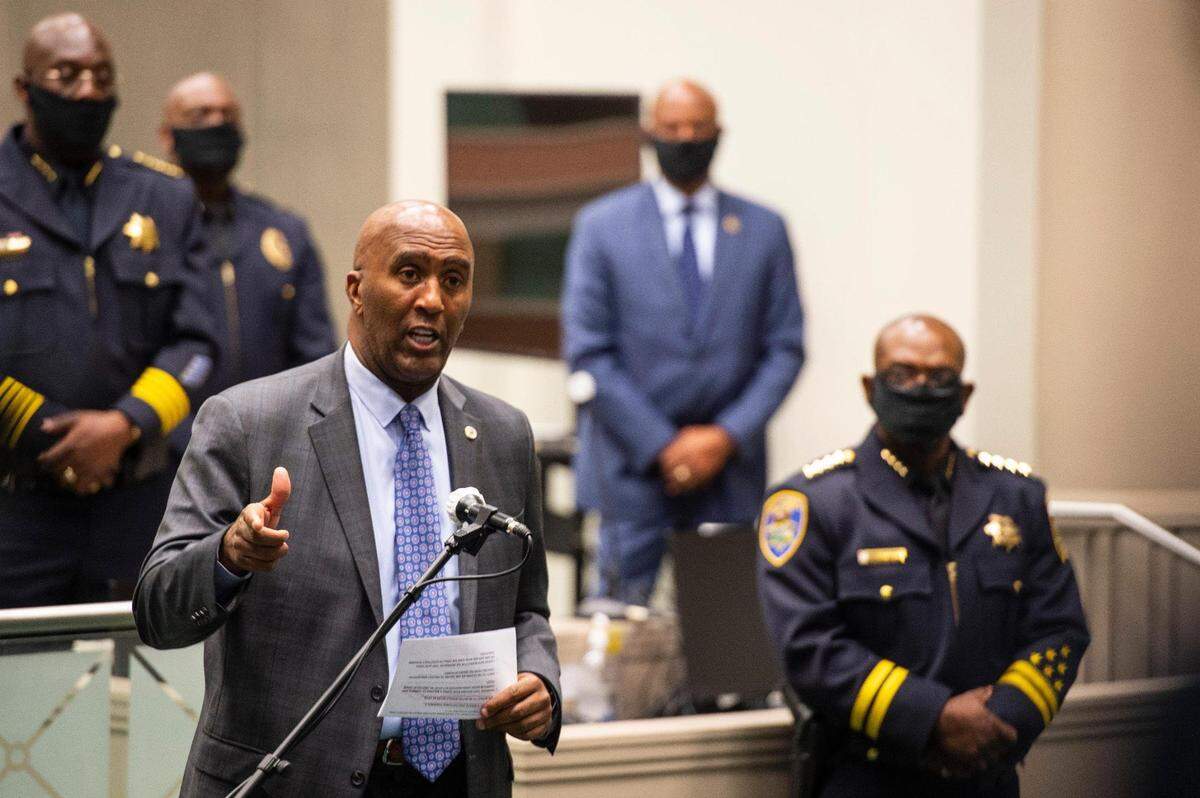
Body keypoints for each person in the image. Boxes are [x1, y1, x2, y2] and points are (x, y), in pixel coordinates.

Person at [134, 201, 560, 797]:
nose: (433, 300)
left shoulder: (502, 434)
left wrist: (540, 678)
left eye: (453, 280)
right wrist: (229, 556)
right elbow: (157, 610)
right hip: (297, 780)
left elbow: (528, 609)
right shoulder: (247, 422)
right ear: (356, 290)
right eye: (409, 273)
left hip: (459, 778)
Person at [757, 314, 1089, 797]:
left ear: (965, 394)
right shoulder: (813, 503)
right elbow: (810, 648)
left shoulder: (1016, 496)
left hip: (987, 773)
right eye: (901, 374)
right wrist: (933, 719)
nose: (920, 387)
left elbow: (1059, 627)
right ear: (870, 388)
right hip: (869, 775)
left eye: (939, 378)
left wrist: (996, 722)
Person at [0, 13, 216, 608]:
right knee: (20, 692)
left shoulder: (165, 196)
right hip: (16, 504)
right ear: (25, 89)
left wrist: (122, 426)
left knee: (139, 687)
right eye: (67, 75)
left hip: (137, 501)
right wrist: (54, 435)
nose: (88, 91)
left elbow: (198, 343)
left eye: (101, 76)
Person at [562, 78, 805, 605]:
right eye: (673, 127)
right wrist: (663, 445)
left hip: (729, 473)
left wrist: (722, 438)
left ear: (719, 134)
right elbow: (587, 352)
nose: (686, 137)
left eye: (699, 127)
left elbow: (785, 348)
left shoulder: (764, 229)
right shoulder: (602, 227)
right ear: (650, 133)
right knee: (619, 654)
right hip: (630, 471)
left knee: (727, 656)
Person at [158, 71, 334, 412]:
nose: (217, 123)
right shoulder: (146, 231)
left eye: (228, 115)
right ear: (167, 136)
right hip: (168, 444)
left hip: (268, 438)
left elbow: (316, 356)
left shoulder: (284, 231)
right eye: (201, 115)